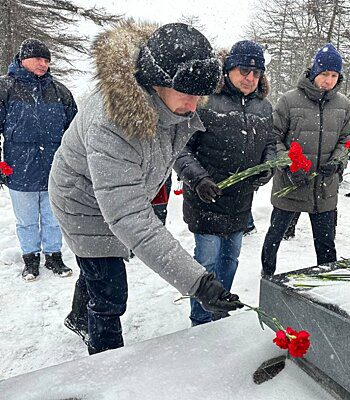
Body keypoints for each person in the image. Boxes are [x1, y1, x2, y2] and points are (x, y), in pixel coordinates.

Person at [49, 22, 243, 354]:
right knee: (109, 291)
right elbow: (129, 217)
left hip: (117, 192)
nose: (194, 105)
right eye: (187, 94)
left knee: (97, 271)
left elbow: (166, 150)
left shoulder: (168, 103)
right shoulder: (111, 122)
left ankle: (80, 314)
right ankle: (107, 364)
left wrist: (195, 176)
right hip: (82, 202)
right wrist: (198, 282)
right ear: (156, 82)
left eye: (199, 95)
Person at [175, 40, 275, 326]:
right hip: (206, 200)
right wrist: (198, 179)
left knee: (229, 262)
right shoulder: (205, 101)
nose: (250, 77)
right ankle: (201, 318)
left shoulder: (264, 107)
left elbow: (270, 143)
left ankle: (219, 311)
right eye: (244, 70)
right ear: (229, 69)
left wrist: (268, 166)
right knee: (206, 263)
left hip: (240, 204)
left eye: (256, 73)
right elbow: (180, 148)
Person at [261, 43, 350, 276]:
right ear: (313, 72)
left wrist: (337, 161)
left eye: (334, 75)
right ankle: (268, 276)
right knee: (275, 237)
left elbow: (346, 139)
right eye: (324, 74)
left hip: (324, 188)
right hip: (291, 184)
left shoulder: (343, 104)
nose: (328, 80)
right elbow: (273, 138)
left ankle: (328, 282)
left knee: (326, 245)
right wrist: (289, 165)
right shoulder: (289, 100)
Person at [0, 38, 77, 281]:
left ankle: (54, 256)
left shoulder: (60, 91)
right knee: (27, 221)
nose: (43, 64)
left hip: (56, 169)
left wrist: (74, 166)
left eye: (47, 60)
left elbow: (74, 133)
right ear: (23, 59)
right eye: (39, 59)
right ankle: (30, 260)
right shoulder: (5, 88)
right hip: (18, 168)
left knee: (54, 218)